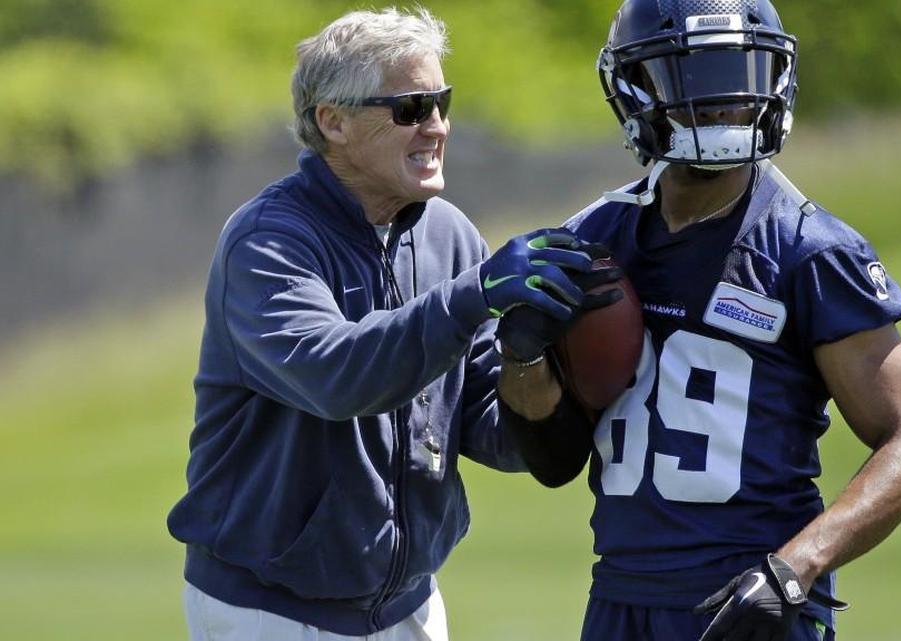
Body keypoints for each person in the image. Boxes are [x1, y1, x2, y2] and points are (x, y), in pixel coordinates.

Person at [498, 1, 901, 640]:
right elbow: (552, 457)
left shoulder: (808, 249)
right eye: (694, 76)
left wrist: (796, 568)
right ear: (639, 89)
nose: (723, 98)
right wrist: (524, 357)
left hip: (751, 596)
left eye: (737, 69)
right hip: (620, 597)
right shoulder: (593, 238)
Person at [167, 8, 612, 641]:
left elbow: (493, 430)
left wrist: (541, 362)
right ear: (334, 121)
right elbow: (335, 376)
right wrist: (473, 298)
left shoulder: (450, 234)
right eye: (412, 108)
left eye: (442, 102)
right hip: (270, 611)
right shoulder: (269, 242)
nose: (438, 127)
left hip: (410, 604)